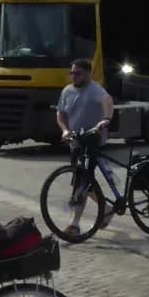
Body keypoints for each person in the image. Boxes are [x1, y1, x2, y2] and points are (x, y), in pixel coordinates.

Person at [54, 58, 114, 237]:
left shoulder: (95, 90)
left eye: (77, 73)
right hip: (76, 142)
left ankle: (74, 224)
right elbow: (60, 114)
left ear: (88, 74)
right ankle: (107, 208)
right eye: (72, 72)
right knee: (82, 182)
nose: (73, 76)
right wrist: (65, 130)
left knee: (82, 182)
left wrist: (106, 119)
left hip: (93, 140)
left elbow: (107, 101)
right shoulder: (67, 91)